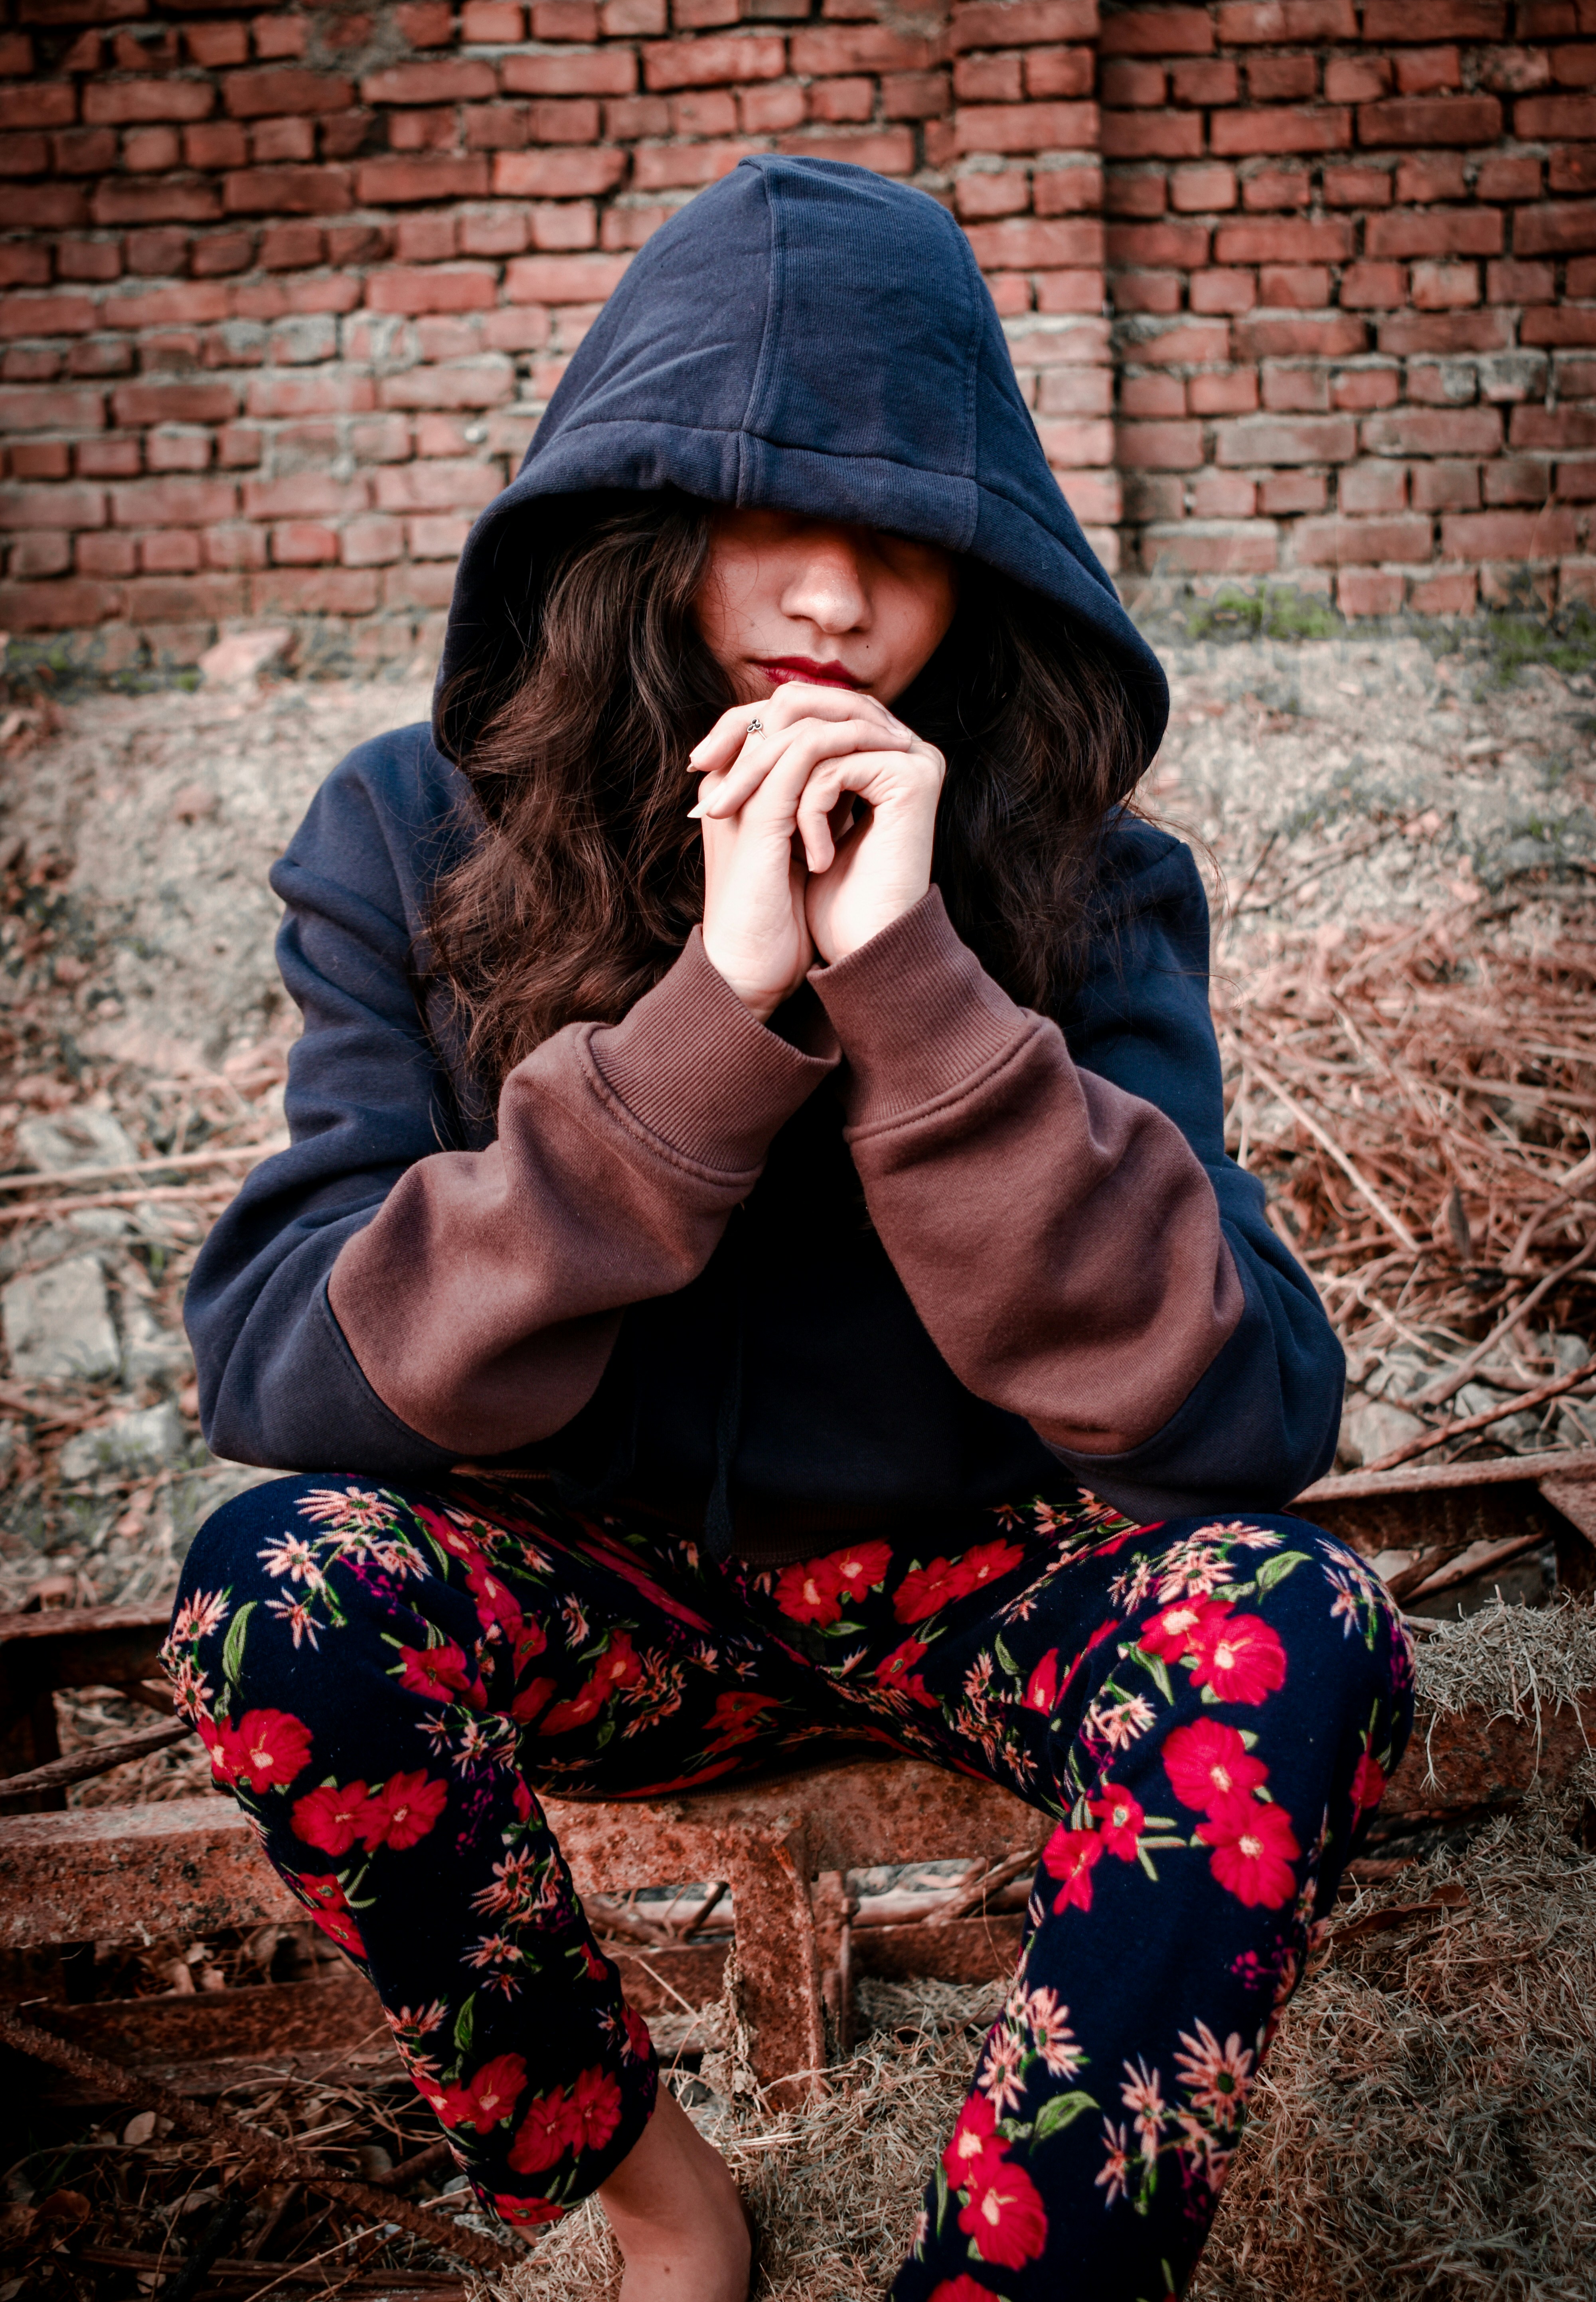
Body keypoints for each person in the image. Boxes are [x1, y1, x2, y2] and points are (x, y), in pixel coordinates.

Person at [166, 158, 1412, 2302]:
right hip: (594, 1587)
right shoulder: (404, 831)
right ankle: (662, 2197)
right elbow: (287, 1374)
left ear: (987, 580)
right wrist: (713, 1014)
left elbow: (1245, 1422)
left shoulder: (1094, 874)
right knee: (271, 1596)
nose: (834, 597)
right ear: (641, 521)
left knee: (1303, 1620)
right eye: (767, 512)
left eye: (908, 540)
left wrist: (912, 982)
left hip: (977, 1588)